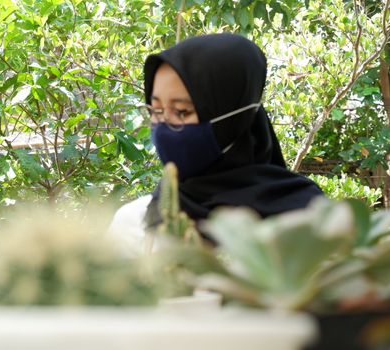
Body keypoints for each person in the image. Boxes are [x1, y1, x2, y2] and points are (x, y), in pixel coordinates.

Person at [109, 33, 323, 254]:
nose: (163, 127)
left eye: (182, 112)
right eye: (156, 110)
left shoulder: (306, 218)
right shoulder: (135, 223)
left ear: (234, 117)